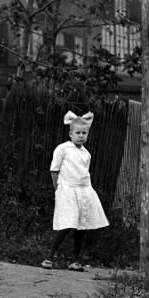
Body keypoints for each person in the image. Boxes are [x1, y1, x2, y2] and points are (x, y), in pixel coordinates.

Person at [41, 110, 109, 271]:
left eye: (84, 133)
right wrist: (57, 188)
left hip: (84, 191)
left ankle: (75, 260)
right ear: (71, 134)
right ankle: (49, 257)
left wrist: (88, 191)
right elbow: (54, 169)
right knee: (68, 223)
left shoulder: (86, 154)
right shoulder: (63, 149)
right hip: (67, 189)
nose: (81, 136)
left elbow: (84, 173)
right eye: (77, 132)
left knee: (82, 226)